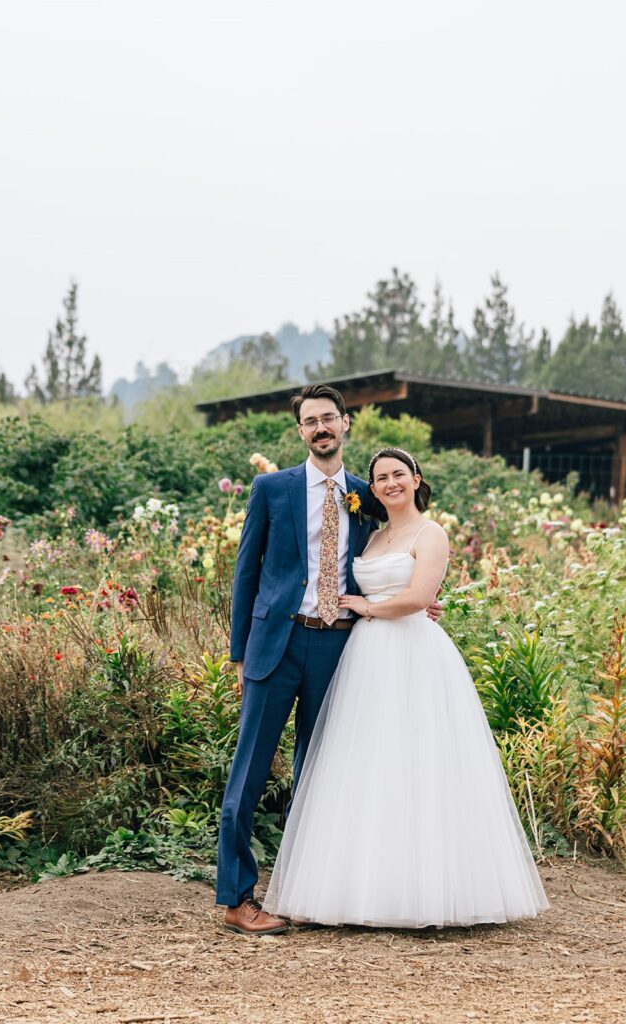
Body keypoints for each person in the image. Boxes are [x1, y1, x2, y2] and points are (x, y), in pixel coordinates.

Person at [263, 448, 549, 928]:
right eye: (381, 478)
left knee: (419, 763)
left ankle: (426, 890)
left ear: (416, 480)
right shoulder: (371, 537)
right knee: (368, 762)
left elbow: (419, 596)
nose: (391, 483)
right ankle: (362, 888)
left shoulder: (430, 532)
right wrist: (367, 608)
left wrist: (367, 605)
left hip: (414, 654)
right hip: (366, 656)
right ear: (371, 490)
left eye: (399, 474)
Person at [216, 384, 444, 934]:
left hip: (341, 647)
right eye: (309, 421)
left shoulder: (370, 495)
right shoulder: (271, 489)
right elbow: (246, 574)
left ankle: (307, 893)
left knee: (322, 774)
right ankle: (237, 899)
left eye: (328, 419)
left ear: (346, 424)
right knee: (247, 775)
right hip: (278, 644)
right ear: (301, 431)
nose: (320, 428)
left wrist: (415, 603)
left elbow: (402, 549)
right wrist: (240, 654)